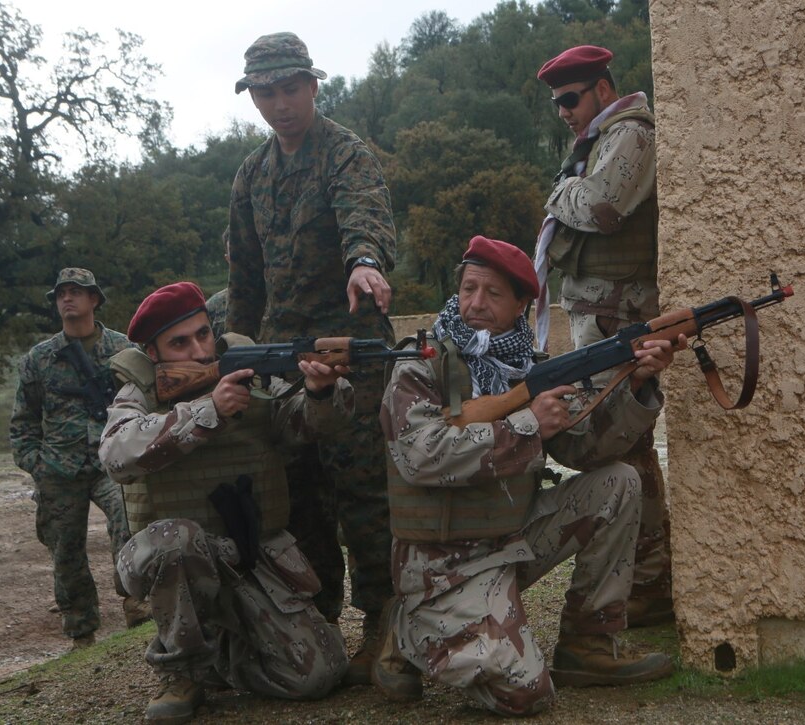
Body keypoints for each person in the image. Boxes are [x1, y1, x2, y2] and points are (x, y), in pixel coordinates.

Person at [374, 236, 681, 716]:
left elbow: (586, 449)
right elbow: (420, 455)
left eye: (493, 294)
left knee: (619, 481)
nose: (476, 303)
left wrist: (637, 383)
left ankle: (589, 646)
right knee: (524, 694)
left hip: (510, 541)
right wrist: (527, 424)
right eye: (469, 288)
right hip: (442, 564)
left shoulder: (529, 369)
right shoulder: (420, 363)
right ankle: (408, 626)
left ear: (522, 306)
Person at [99, 282, 353, 722]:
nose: (198, 351)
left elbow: (300, 427)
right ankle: (181, 674)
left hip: (249, 552)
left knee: (319, 676)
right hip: (174, 558)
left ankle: (223, 658)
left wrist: (319, 392)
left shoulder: (246, 369)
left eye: (202, 334)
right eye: (179, 342)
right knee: (176, 540)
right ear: (153, 353)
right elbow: (116, 456)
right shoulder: (138, 390)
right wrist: (206, 411)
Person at [227, 31, 397, 683]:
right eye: (266, 93)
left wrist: (365, 263)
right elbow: (244, 275)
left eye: (290, 88)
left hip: (350, 348)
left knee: (361, 484)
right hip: (280, 356)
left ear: (313, 85)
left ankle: (383, 618)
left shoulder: (346, 153)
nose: (280, 104)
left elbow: (366, 221)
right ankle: (319, 617)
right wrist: (240, 354)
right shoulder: (251, 173)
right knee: (298, 491)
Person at [533, 45, 673, 626]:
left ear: (604, 89)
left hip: (622, 315)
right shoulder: (596, 141)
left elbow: (603, 206)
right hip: (603, 315)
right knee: (623, 446)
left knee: (624, 446)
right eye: (558, 103)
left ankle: (649, 581)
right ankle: (648, 578)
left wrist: (556, 194)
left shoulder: (630, 133)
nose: (565, 112)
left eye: (572, 98)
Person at [9, 268, 149, 651]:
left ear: (94, 300)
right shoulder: (39, 359)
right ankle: (80, 629)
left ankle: (136, 603)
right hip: (58, 468)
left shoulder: (125, 351)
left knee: (129, 526)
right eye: (61, 294)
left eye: (76, 292)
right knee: (66, 549)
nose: (67, 299)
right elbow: (22, 422)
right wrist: (36, 464)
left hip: (111, 462)